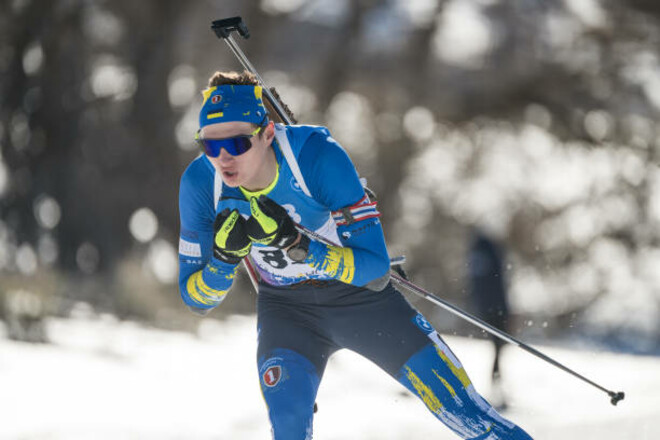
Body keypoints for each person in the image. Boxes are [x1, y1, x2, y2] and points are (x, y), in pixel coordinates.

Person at [177, 70, 533, 440]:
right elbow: (196, 299)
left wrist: (298, 246)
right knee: (288, 426)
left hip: (361, 301)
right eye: (209, 145)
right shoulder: (201, 183)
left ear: (267, 133)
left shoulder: (315, 156)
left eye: (236, 144)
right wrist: (223, 260)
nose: (222, 157)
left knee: (468, 416)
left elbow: (374, 266)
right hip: (286, 311)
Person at [467, 228, 511, 409]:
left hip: (489, 307)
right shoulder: (488, 249)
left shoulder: (479, 250)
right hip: (494, 308)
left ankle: (496, 388)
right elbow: (495, 282)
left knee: (498, 348)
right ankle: (495, 389)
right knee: (498, 347)